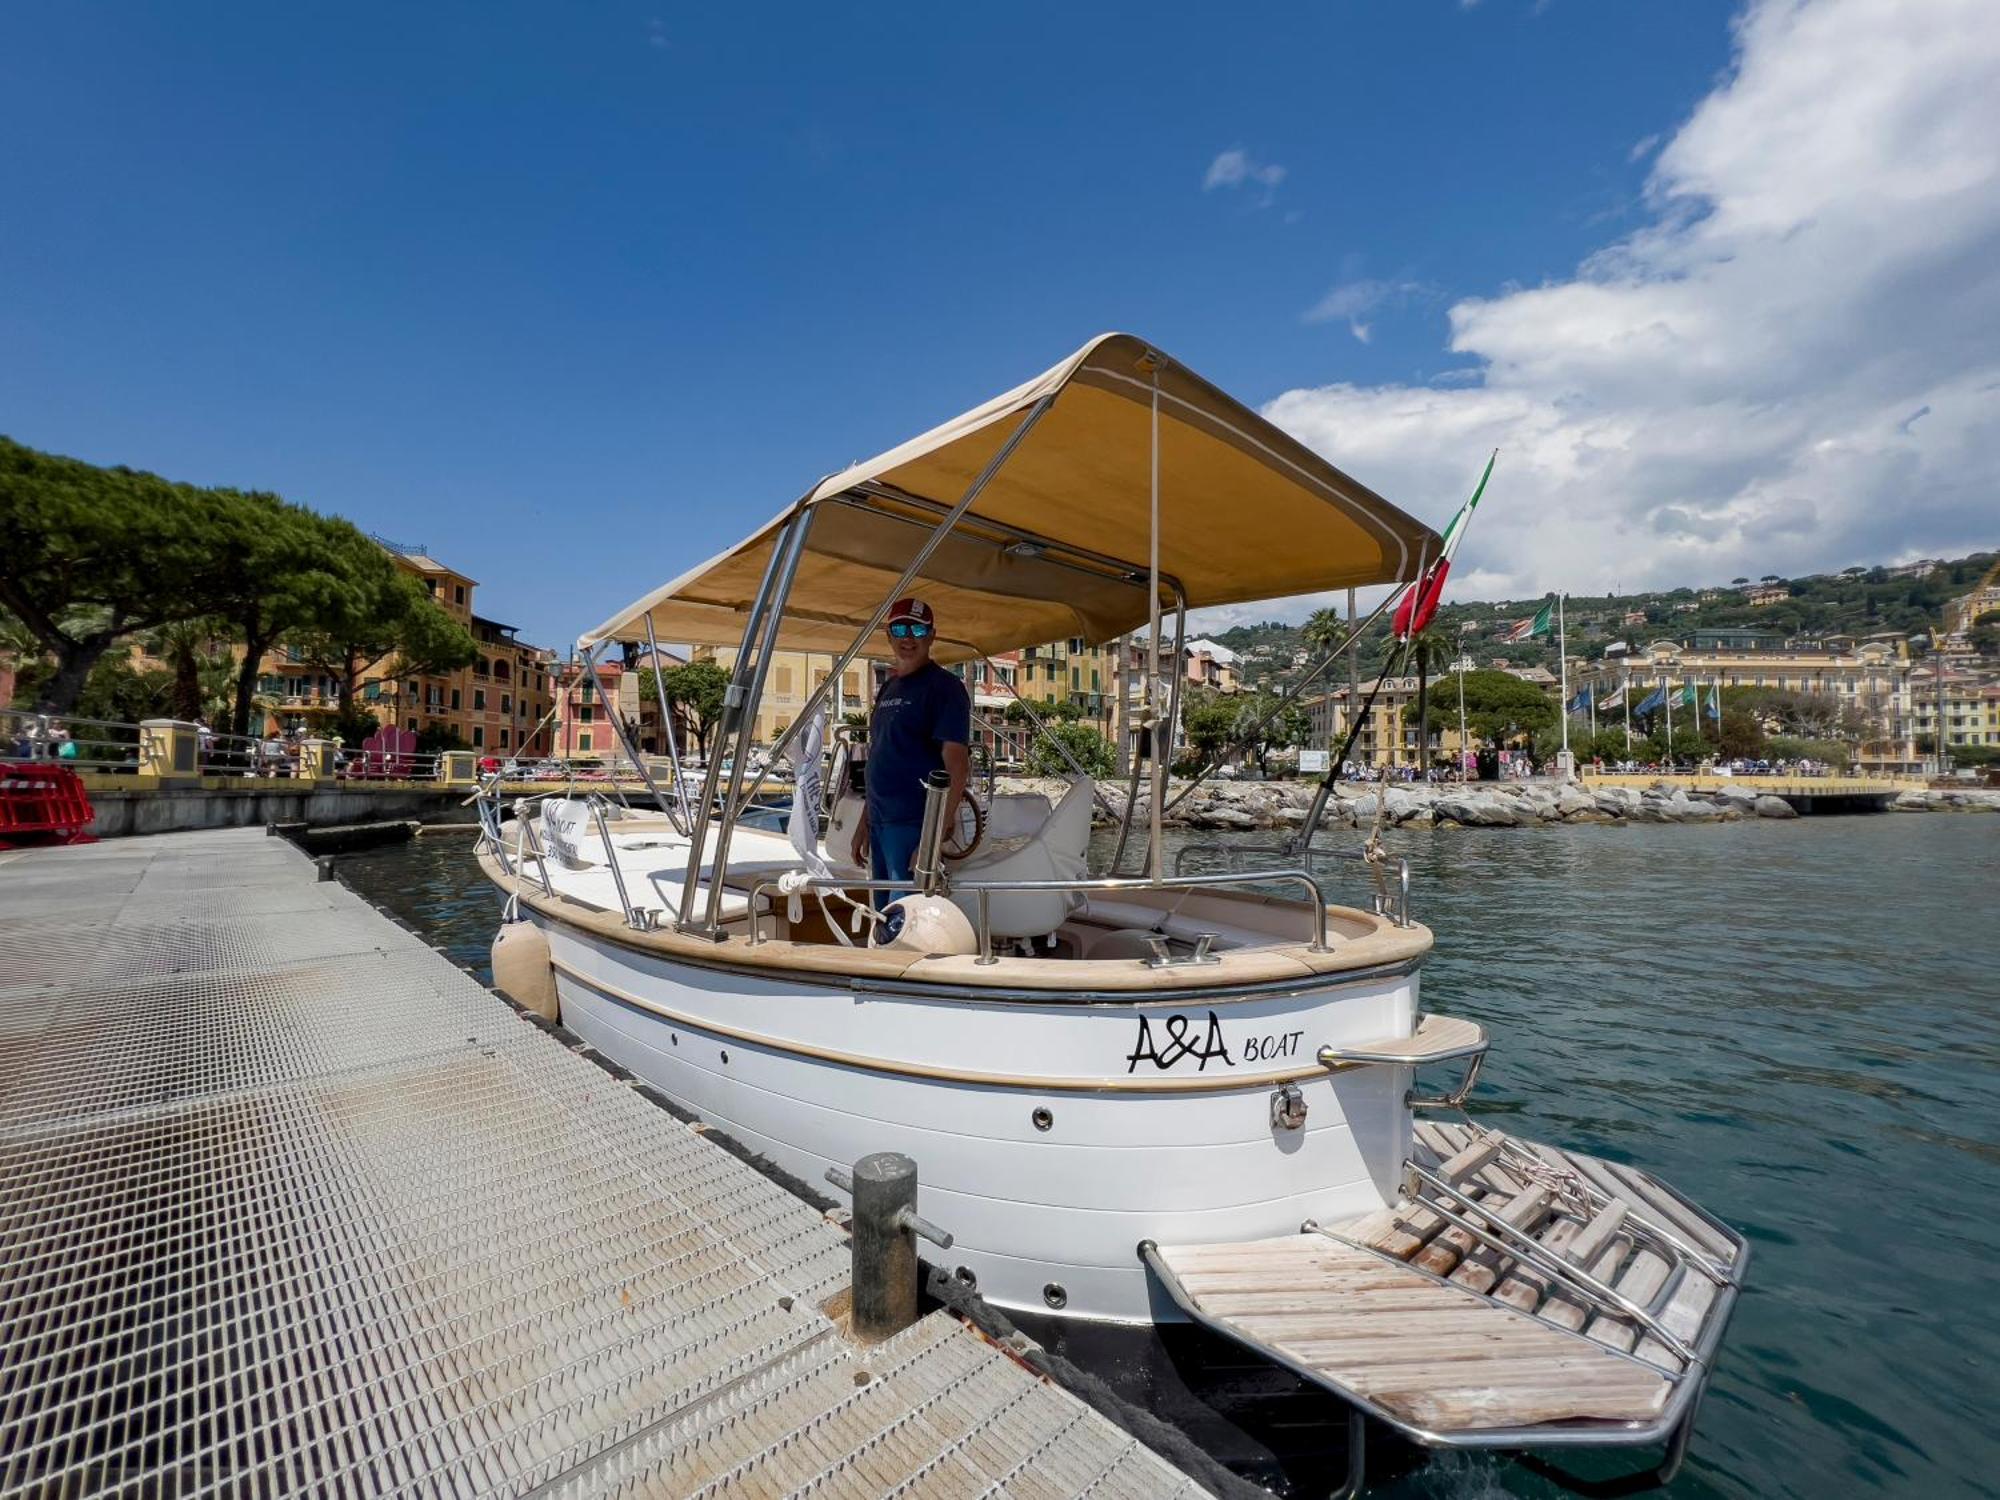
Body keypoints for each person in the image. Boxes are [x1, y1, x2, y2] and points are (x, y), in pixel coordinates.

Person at [850, 598, 970, 907]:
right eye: (900, 628)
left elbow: (957, 767)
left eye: (917, 629)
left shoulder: (944, 688)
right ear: (888, 635)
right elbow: (880, 756)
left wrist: (929, 843)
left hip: (913, 825)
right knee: (881, 915)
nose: (908, 637)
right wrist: (864, 824)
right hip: (880, 823)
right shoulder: (889, 689)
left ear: (932, 636)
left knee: (905, 919)